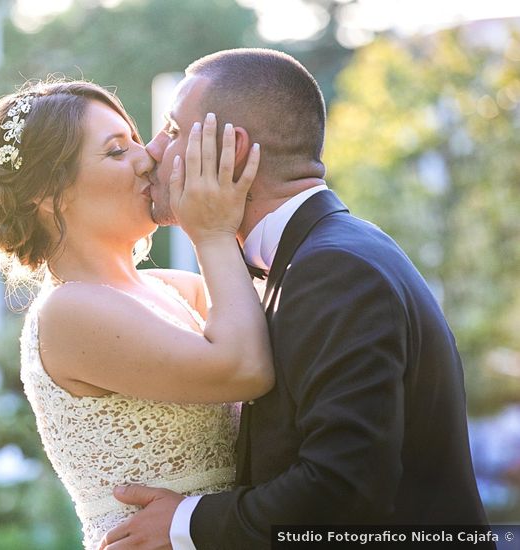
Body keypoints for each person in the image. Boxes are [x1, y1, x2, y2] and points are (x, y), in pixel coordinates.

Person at [100, 48, 492, 549]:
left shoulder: (336, 270)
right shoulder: (321, 255)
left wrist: (186, 523)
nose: (152, 151)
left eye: (173, 131)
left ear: (230, 150)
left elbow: (343, 486)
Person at [0, 79, 273, 549]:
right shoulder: (69, 311)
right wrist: (210, 233)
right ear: (47, 194)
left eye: (136, 140)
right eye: (116, 150)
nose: (147, 158)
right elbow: (245, 369)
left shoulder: (178, 288)